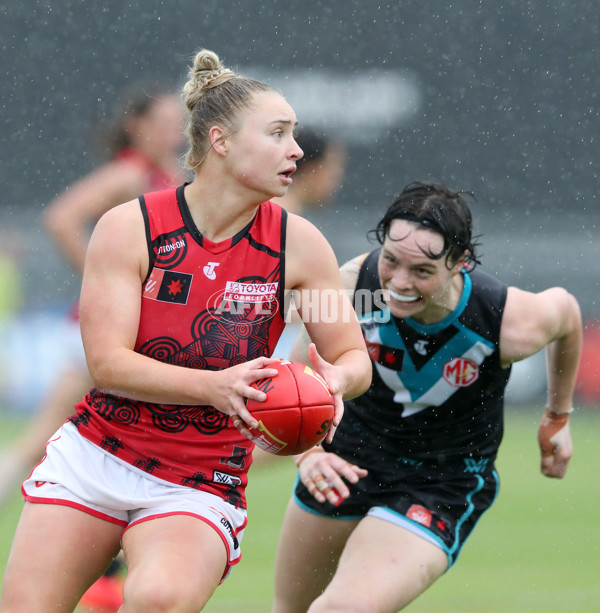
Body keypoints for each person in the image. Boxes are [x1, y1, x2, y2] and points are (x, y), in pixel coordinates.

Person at [0, 48, 371, 613]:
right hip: (97, 455)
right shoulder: (130, 227)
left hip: (201, 476)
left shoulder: (301, 245)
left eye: (294, 134)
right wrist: (216, 386)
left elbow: (350, 354)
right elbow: (107, 364)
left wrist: (333, 385)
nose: (296, 150)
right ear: (221, 141)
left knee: (158, 601)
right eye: (277, 133)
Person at [271, 182, 582, 613]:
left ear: (460, 263)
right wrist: (308, 456)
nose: (398, 282)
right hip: (345, 465)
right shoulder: (349, 287)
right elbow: (296, 378)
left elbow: (567, 313)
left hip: (440, 483)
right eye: (391, 261)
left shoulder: (507, 319)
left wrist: (557, 416)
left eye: (421, 271)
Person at [0, 81, 185, 612]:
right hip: (105, 333)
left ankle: (112, 567)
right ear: (137, 126)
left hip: (135, 335)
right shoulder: (129, 173)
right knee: (44, 441)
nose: (174, 130)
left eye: (179, 120)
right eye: (164, 120)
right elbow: (60, 217)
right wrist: (104, 285)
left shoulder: (167, 176)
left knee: (102, 442)